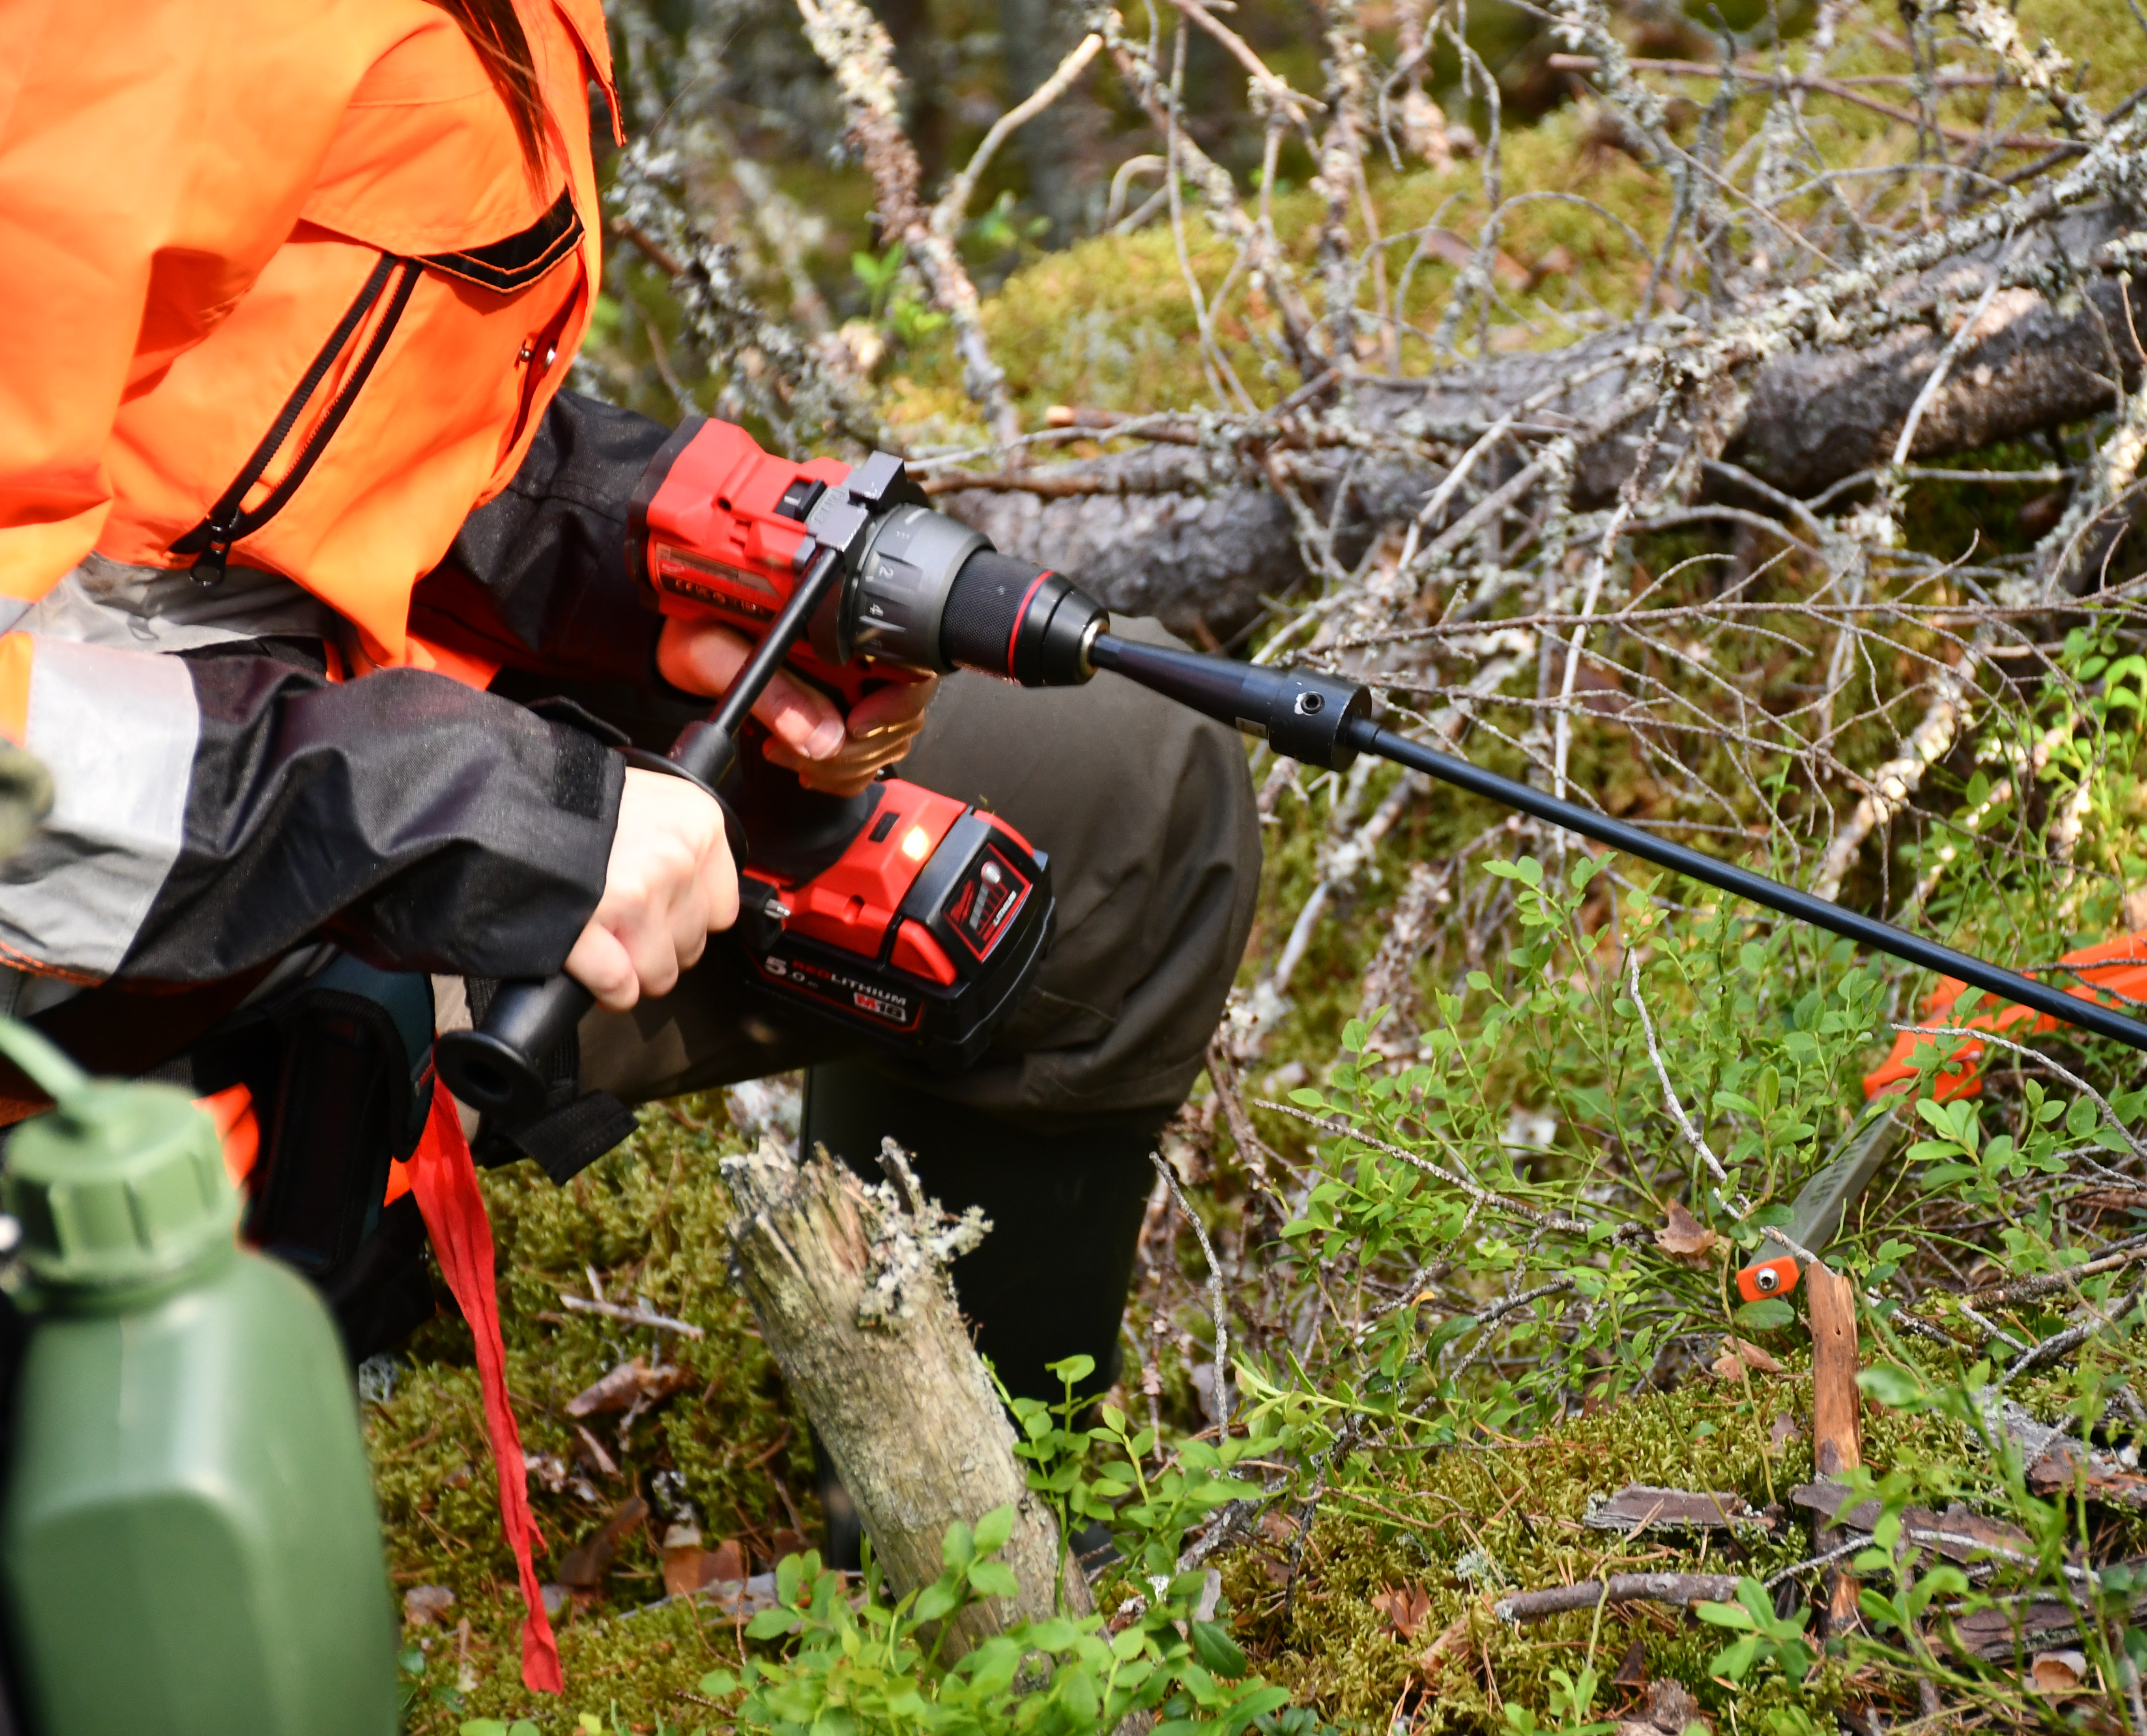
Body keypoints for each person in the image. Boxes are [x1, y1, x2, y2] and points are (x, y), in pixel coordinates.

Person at [0, 0, 1258, 1412]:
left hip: (319, 774)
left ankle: (993, 1519)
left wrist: (636, 547)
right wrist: (457, 810)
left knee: (1111, 786)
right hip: (103, 996)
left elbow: (244, 422)